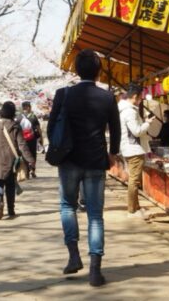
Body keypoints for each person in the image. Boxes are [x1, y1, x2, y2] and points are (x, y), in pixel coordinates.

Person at [47, 49, 121, 288]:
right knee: (95, 215)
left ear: (76, 70)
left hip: (68, 160)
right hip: (96, 160)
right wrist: (112, 154)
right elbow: (116, 130)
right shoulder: (108, 97)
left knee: (67, 206)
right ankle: (95, 271)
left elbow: (51, 129)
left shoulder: (64, 94)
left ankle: (73, 256)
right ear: (98, 71)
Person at [0, 101, 35, 220]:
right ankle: (11, 210)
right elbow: (22, 145)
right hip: (11, 158)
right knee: (10, 184)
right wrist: (30, 159)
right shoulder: (15, 126)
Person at [118, 86, 151, 220]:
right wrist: (147, 123)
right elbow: (136, 131)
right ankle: (132, 210)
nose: (141, 99)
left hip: (130, 148)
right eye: (141, 97)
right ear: (135, 96)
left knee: (134, 180)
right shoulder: (130, 112)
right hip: (134, 149)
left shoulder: (125, 110)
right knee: (134, 181)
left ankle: (136, 207)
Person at [17, 101, 43, 178]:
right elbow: (38, 129)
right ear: (28, 107)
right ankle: (32, 170)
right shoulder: (33, 117)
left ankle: (26, 172)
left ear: (23, 107)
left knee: (24, 154)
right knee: (32, 154)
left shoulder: (18, 117)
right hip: (32, 139)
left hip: (22, 139)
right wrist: (41, 138)